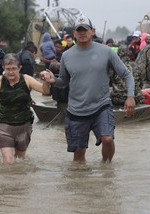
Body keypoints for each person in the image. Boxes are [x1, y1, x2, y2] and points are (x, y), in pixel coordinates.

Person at [44, 15, 136, 163]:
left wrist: (130, 97)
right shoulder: (67, 56)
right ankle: (82, 184)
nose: (82, 33)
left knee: (107, 139)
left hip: (101, 105)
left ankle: (106, 168)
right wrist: (53, 80)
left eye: (85, 29)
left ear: (92, 31)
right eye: (79, 30)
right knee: (79, 154)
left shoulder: (106, 52)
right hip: (76, 110)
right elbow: (64, 81)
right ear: (74, 33)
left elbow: (127, 74)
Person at [0, 53, 52, 164]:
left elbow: (45, 91)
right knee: (8, 161)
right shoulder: (0, 81)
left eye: (14, 69)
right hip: (4, 125)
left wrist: (45, 80)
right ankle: (6, 180)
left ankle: (18, 181)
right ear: (3, 68)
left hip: (24, 125)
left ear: (19, 68)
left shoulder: (27, 79)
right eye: (8, 69)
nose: (11, 72)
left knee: (20, 160)